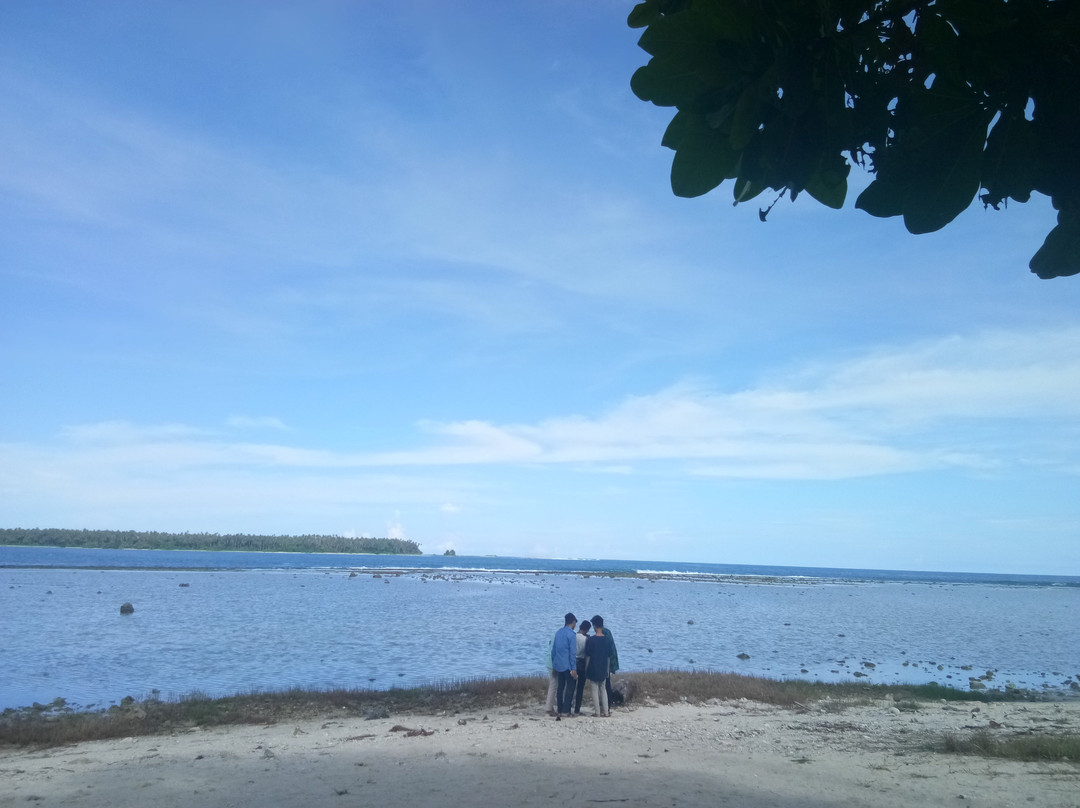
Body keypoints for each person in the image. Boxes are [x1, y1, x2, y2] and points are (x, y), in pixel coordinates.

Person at [550, 612, 578, 719]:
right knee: (570, 687)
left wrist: (554, 664)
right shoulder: (571, 635)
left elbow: (554, 651)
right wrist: (574, 668)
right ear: (573, 622)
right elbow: (572, 653)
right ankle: (566, 711)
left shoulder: (558, 633)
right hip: (568, 666)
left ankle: (560, 710)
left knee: (560, 688)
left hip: (558, 665)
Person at [583, 615, 611, 717]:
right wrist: (607, 669)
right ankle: (606, 712)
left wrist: (586, 668)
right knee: (603, 690)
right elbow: (608, 657)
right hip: (603, 667)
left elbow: (588, 656)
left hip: (593, 667)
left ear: (594, 626)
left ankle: (597, 712)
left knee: (594, 689)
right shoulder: (607, 640)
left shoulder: (591, 640)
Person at [572, 619, 591, 715]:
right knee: (580, 688)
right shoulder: (586, 639)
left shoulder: (573, 636)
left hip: (573, 662)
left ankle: (567, 707)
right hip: (582, 663)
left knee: (571, 686)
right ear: (587, 630)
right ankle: (577, 709)